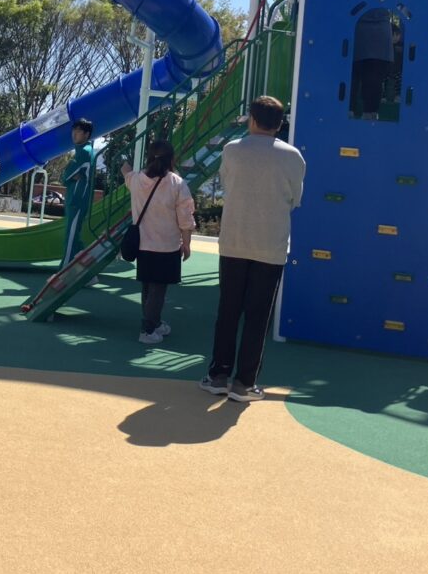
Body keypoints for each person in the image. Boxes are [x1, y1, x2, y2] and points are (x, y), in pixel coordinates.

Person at [200, 96, 305, 402]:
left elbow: (226, 185)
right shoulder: (293, 156)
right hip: (271, 245)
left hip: (234, 240)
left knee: (228, 311)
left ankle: (218, 375)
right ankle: (245, 383)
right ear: (280, 124)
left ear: (252, 119)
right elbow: (295, 199)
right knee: (258, 316)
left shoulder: (232, 150)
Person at [121, 140, 195, 345]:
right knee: (158, 289)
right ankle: (148, 328)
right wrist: (186, 243)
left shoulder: (137, 180)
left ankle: (153, 322)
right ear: (172, 159)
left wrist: (125, 164)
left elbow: (126, 172)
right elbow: (185, 218)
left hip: (143, 244)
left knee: (148, 286)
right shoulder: (176, 183)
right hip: (167, 245)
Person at [337, 0, 394, 120]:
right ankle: (371, 116)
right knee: (374, 80)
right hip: (381, 35)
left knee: (350, 76)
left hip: (355, 31)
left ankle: (348, 113)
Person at [59, 118, 96, 270]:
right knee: (75, 237)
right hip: (74, 200)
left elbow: (65, 176)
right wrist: (69, 176)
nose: (74, 133)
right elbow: (68, 175)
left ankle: (65, 270)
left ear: (86, 134)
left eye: (79, 131)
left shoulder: (84, 152)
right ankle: (88, 269)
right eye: (74, 130)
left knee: (71, 237)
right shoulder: (81, 151)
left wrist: (68, 177)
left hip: (77, 201)